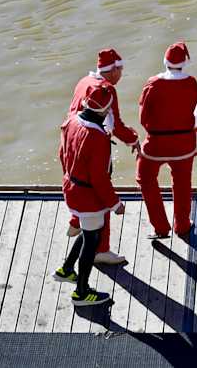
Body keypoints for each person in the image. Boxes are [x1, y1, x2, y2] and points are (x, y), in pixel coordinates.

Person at [64, 48, 138, 265]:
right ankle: (101, 251)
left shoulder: (83, 81)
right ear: (113, 70)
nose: (122, 74)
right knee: (99, 196)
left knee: (78, 181)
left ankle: (76, 220)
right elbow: (115, 125)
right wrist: (134, 139)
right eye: (121, 69)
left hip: (72, 140)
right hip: (92, 141)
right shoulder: (106, 91)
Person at [53, 84, 123, 306]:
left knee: (88, 230)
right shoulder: (97, 137)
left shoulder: (71, 121)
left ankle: (66, 269)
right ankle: (81, 292)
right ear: (105, 109)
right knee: (92, 242)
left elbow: (62, 154)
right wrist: (115, 203)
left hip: (72, 188)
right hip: (88, 196)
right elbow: (99, 178)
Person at [136, 42, 197, 240]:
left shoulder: (153, 84)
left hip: (156, 143)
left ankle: (161, 227)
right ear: (185, 62)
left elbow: (143, 117)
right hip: (184, 144)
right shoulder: (192, 83)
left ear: (165, 61)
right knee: (182, 183)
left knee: (145, 178)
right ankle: (182, 225)